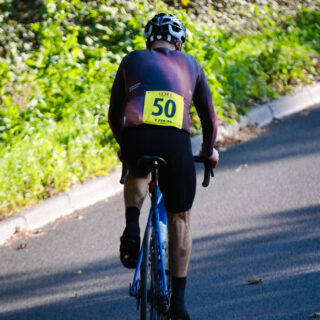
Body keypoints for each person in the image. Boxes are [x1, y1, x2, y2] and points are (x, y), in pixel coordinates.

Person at [108, 13, 219, 320]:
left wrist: (123, 145)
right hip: (175, 143)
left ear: (148, 40)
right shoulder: (192, 64)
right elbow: (209, 120)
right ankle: (179, 304)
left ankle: (132, 223)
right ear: (179, 42)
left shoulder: (131, 59)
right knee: (180, 216)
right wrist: (208, 151)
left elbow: (114, 113)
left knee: (136, 170)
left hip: (137, 137)